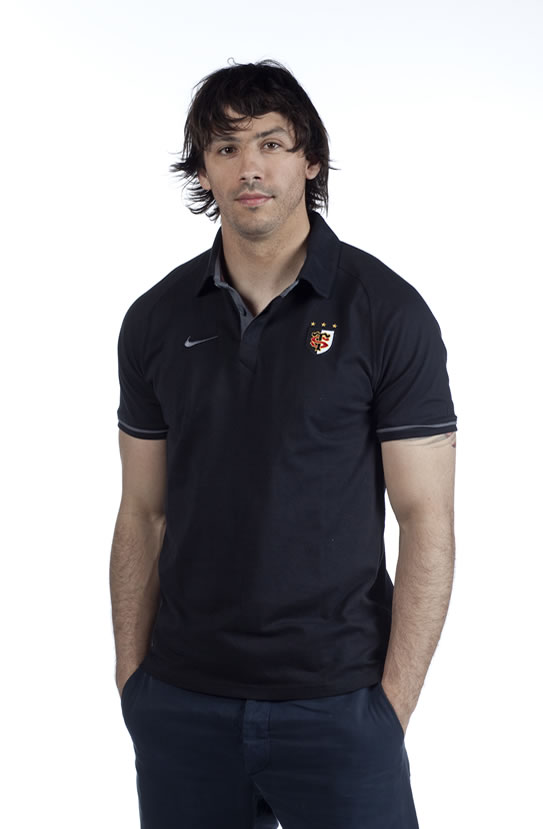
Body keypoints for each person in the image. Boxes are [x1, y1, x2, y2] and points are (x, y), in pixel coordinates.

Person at [110, 59, 457, 829]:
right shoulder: (156, 318)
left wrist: (389, 708)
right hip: (183, 706)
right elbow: (141, 510)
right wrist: (133, 680)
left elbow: (426, 517)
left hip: (337, 704)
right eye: (225, 147)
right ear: (202, 169)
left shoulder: (385, 312)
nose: (249, 167)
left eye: (270, 143)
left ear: (310, 160)